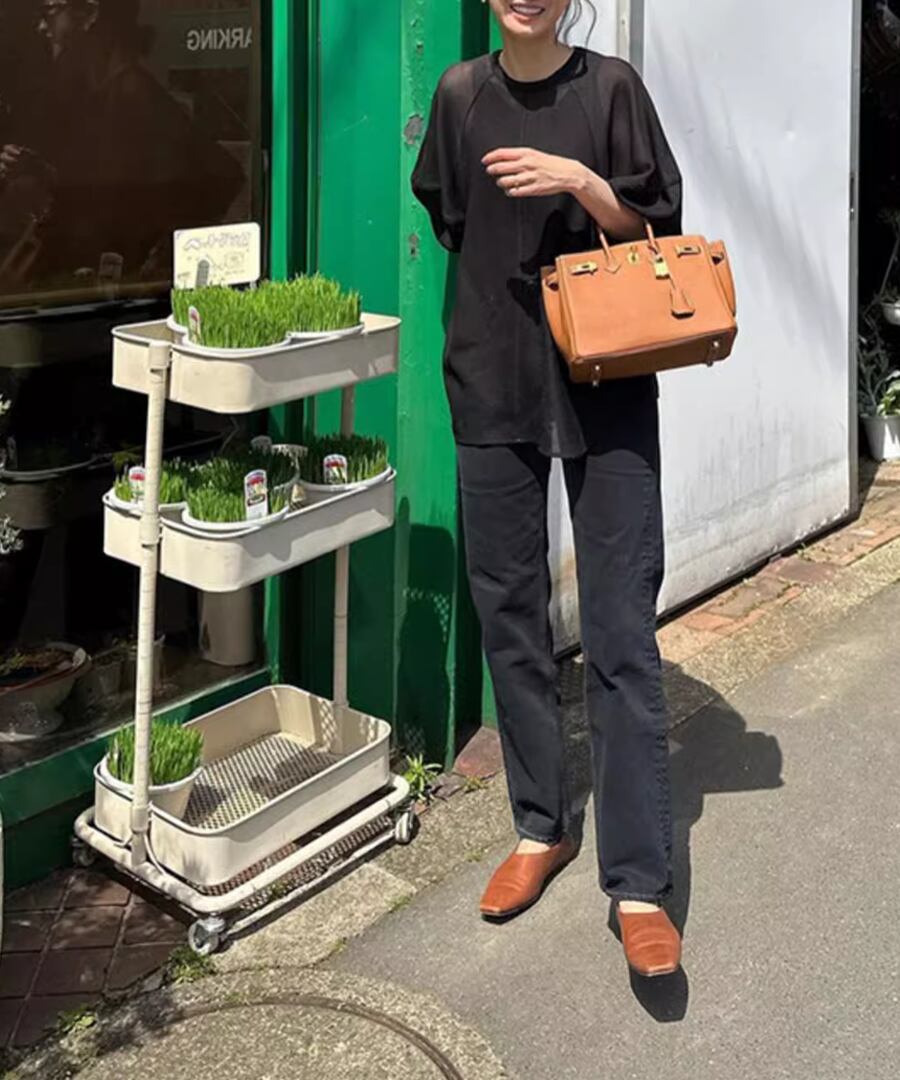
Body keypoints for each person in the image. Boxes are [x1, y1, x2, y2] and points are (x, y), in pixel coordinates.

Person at [412, 0, 684, 978]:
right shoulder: (459, 96)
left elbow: (657, 230)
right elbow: (459, 226)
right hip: (492, 382)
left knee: (619, 631)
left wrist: (582, 183)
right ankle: (541, 824)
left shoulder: (611, 90)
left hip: (608, 386)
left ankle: (639, 883)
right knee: (510, 615)